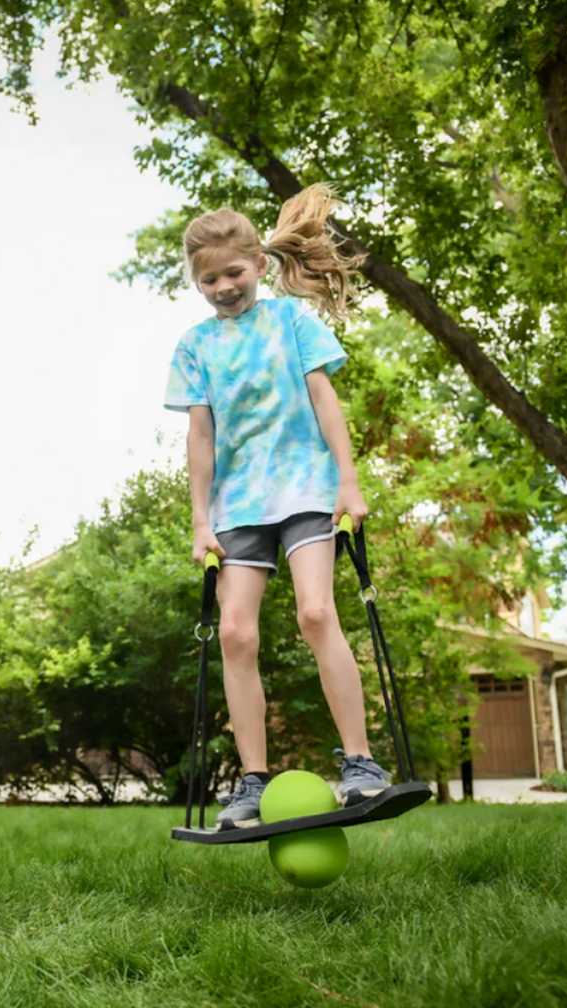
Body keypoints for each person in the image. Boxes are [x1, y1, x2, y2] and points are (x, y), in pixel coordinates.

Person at [164, 184, 391, 830]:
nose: (222, 287)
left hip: (306, 488)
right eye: (209, 279)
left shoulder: (292, 322)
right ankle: (252, 782)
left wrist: (349, 482)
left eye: (233, 273)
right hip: (238, 507)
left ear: (259, 266)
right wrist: (200, 521)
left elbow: (324, 401)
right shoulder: (194, 347)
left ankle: (361, 764)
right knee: (235, 633)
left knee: (318, 613)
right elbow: (200, 437)